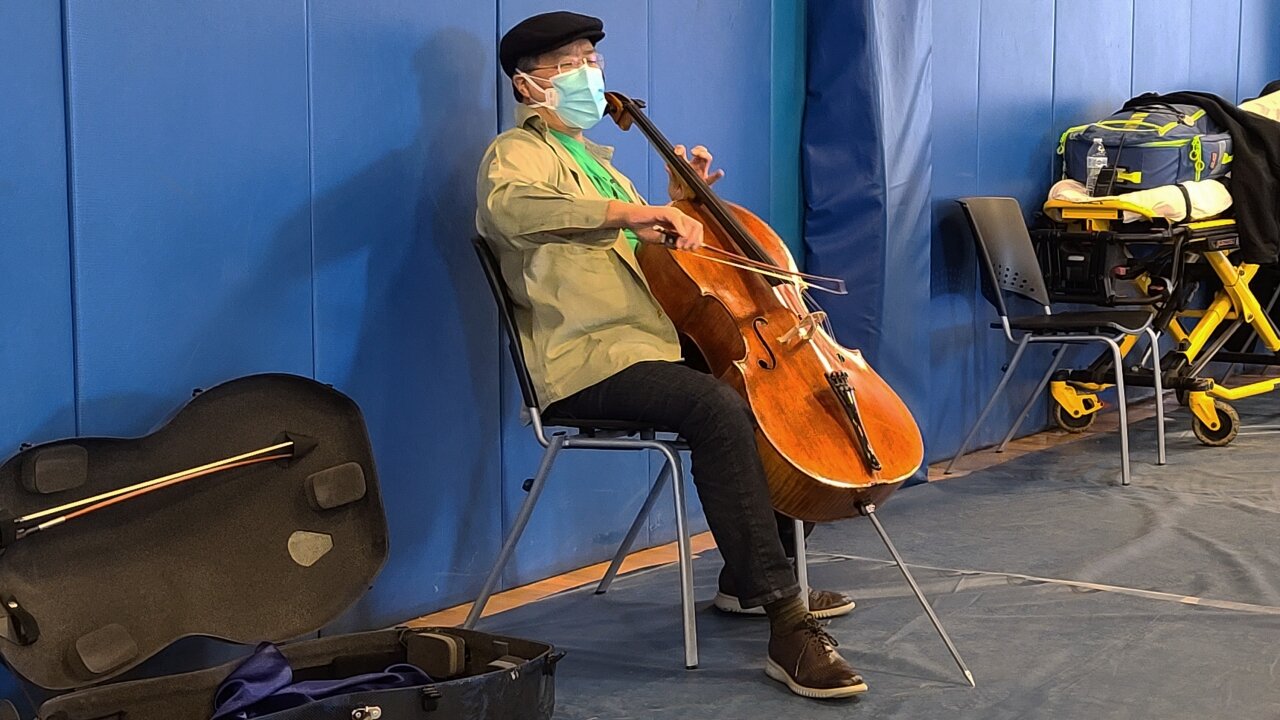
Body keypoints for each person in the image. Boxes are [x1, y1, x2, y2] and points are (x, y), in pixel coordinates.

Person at [475, 10, 866, 699]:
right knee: (713, 405)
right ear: (529, 84)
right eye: (571, 65)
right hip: (585, 366)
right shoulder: (518, 154)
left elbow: (659, 266)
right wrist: (636, 216)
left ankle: (746, 580)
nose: (591, 74)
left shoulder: (603, 169)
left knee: (756, 393)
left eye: (593, 60)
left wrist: (682, 199)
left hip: (646, 351)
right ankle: (785, 619)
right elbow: (509, 212)